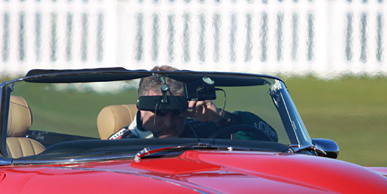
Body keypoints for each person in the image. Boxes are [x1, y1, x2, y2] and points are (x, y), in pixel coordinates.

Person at [108, 65, 278, 140]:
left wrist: (223, 118)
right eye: (159, 111)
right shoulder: (121, 145)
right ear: (141, 108)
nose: (169, 122)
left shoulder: (201, 129)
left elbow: (270, 139)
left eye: (176, 112)